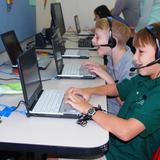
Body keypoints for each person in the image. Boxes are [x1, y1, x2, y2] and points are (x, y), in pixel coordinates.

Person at [65, 22, 160, 160]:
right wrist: (88, 91)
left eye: (141, 52)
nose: (135, 58)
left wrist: (89, 109)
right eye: (135, 50)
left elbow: (126, 131)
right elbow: (116, 88)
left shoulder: (157, 94)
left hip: (123, 156)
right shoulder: (144, 78)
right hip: (112, 145)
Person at [83, 18, 135, 115]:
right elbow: (113, 70)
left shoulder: (130, 67)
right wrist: (99, 68)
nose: (93, 40)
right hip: (105, 103)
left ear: (112, 41)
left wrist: (108, 79)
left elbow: (126, 107)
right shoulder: (114, 55)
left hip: (115, 113)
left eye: (97, 37)